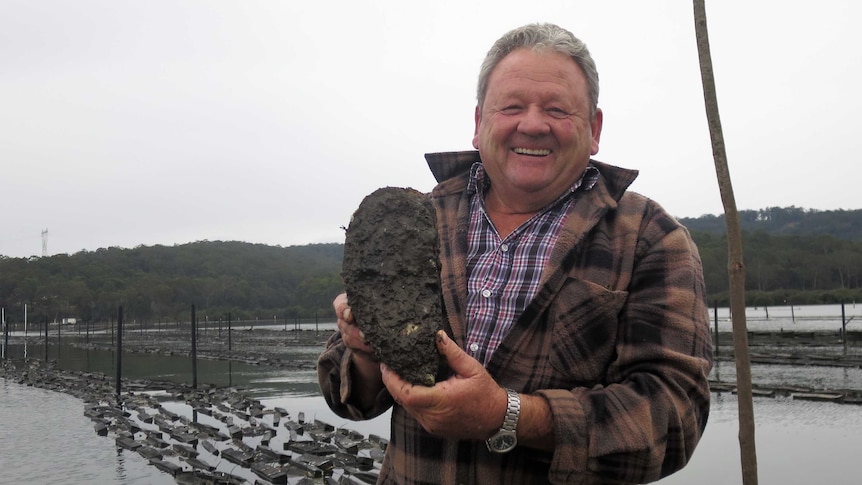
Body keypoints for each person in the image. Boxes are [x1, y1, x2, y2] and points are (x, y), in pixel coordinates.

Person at [318, 22, 712, 485]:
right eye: (512, 106)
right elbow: (346, 396)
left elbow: (674, 419)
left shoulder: (650, 238)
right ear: (479, 122)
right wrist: (364, 351)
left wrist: (508, 416)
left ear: (594, 128)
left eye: (557, 109)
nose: (532, 124)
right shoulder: (416, 222)